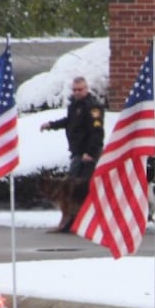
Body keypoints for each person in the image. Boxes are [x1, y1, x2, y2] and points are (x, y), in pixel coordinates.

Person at [39, 76, 105, 232]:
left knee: (82, 189)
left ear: (86, 89)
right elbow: (70, 121)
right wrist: (51, 125)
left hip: (87, 154)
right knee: (71, 190)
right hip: (77, 153)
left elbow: (97, 132)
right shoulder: (75, 105)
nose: (77, 92)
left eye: (80, 89)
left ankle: (83, 223)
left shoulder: (93, 107)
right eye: (74, 90)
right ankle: (72, 223)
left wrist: (90, 152)